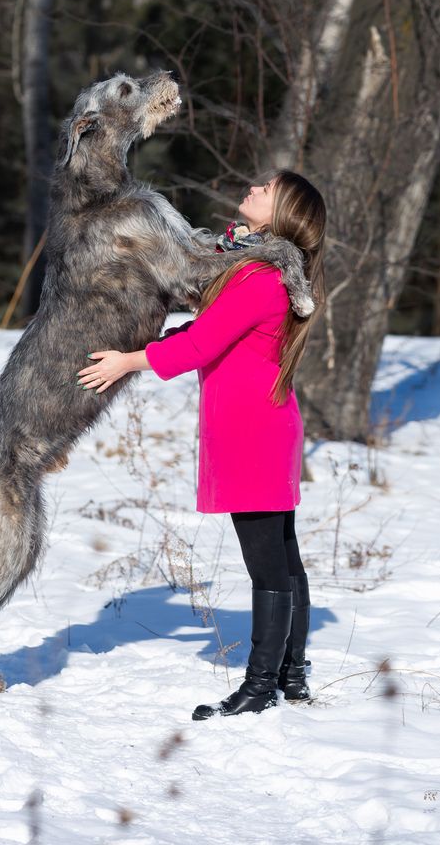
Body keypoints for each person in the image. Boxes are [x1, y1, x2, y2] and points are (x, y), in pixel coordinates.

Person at [76, 169, 327, 720]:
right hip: (259, 424)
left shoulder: (259, 277)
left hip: (252, 432)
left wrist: (128, 361)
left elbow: (201, 343)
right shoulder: (249, 265)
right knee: (283, 557)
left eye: (268, 189)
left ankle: (262, 687)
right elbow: (210, 335)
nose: (255, 187)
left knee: (269, 562)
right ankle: (291, 673)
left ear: (284, 213)